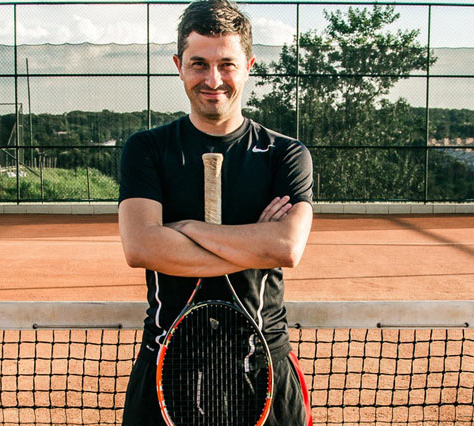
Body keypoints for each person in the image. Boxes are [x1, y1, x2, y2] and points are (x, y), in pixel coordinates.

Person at [118, 0, 314, 424]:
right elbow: (141, 247)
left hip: (262, 367)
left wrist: (185, 228)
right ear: (178, 65)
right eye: (199, 64)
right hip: (166, 365)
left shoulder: (286, 155)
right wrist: (253, 243)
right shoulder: (147, 149)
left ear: (249, 66)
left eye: (227, 64)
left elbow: (286, 247)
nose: (213, 79)